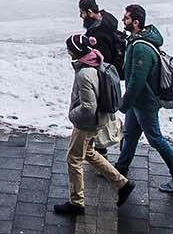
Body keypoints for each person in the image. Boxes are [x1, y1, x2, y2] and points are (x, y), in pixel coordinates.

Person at [54, 34, 134, 216]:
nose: (67, 52)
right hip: (99, 120)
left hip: (87, 123)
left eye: (69, 49)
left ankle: (77, 202)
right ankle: (122, 184)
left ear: (75, 51)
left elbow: (88, 107)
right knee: (88, 152)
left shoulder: (84, 73)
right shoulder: (95, 62)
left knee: (73, 159)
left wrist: (73, 115)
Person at [113, 4, 173, 193]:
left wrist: (124, 103)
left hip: (144, 103)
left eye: (127, 18)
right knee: (129, 134)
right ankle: (121, 167)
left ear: (136, 22)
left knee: (155, 139)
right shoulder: (137, 39)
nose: (123, 20)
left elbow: (137, 80)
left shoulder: (141, 49)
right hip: (137, 102)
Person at [78, 0, 126, 69]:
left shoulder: (98, 33)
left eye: (82, 13)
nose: (81, 16)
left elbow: (104, 59)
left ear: (90, 12)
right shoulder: (107, 18)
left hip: (107, 69)